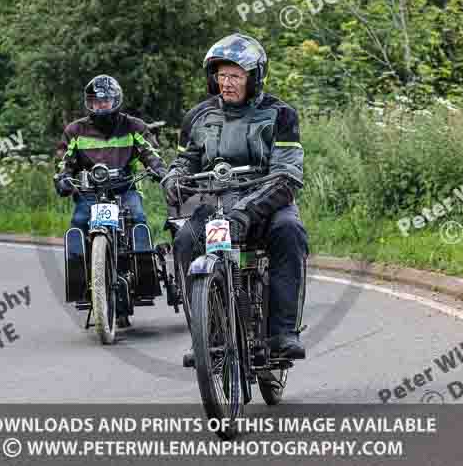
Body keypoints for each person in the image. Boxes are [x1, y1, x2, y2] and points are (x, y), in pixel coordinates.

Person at [162, 33, 309, 360]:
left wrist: (246, 212)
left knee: (290, 232)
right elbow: (184, 161)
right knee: (186, 238)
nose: (226, 83)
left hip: (267, 206)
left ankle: (283, 332)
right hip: (214, 207)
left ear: (254, 78)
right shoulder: (197, 117)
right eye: (222, 75)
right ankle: (206, 337)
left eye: (236, 76)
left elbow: (287, 175)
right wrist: (174, 178)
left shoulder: (281, 115)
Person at [54, 74, 167, 241]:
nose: (101, 105)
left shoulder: (134, 126)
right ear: (89, 103)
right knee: (78, 222)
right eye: (96, 101)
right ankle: (78, 265)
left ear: (115, 100)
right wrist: (63, 177)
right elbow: (63, 160)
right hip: (89, 192)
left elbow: (150, 152)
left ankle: (145, 266)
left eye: (105, 100)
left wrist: (159, 169)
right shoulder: (75, 130)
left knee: (138, 219)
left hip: (126, 189)